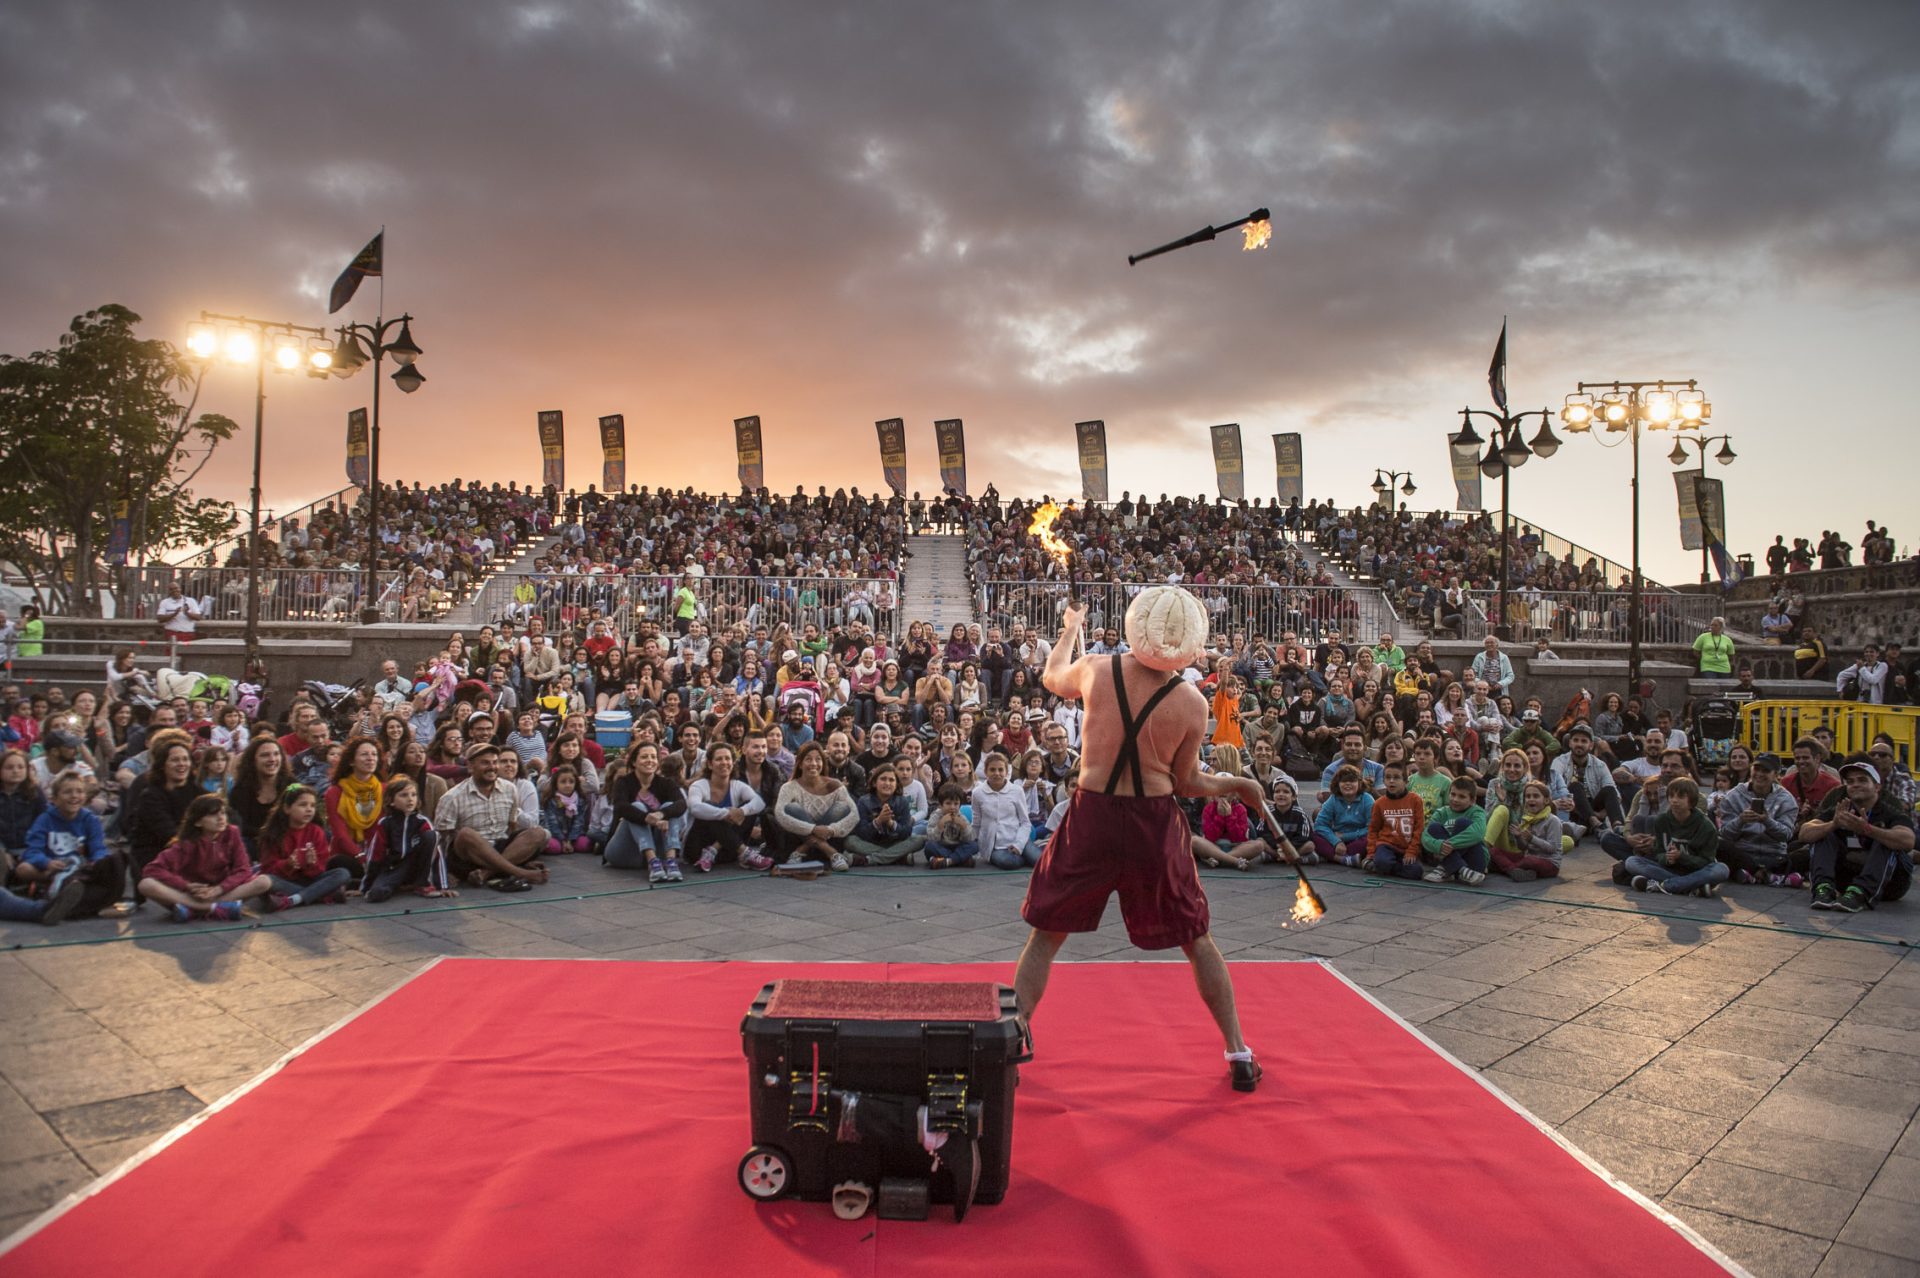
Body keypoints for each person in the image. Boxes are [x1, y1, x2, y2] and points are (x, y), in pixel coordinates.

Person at [1016, 587, 1267, 1094]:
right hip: (1153, 823)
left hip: (1093, 815)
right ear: (1188, 644)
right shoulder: (1192, 703)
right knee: (1196, 938)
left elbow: (1050, 677)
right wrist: (1237, 784)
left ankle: (1011, 1041)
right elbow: (1187, 785)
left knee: (1047, 933)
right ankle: (1238, 1051)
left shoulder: (1096, 668)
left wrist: (1068, 629)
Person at [1801, 760, 1915, 913]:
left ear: (1877, 787)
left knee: (1887, 840)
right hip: (1847, 880)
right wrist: (1833, 824)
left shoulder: (1889, 811)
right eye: (1850, 781)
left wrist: (1867, 829)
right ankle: (1824, 888)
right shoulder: (1842, 809)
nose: (1855, 784)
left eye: (1862, 780)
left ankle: (1861, 894)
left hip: (1890, 884)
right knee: (1823, 834)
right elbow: (1804, 833)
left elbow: (1908, 840)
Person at [138, 794, 274, 921]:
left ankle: (193, 911)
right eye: (213, 815)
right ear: (198, 822)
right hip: (192, 894)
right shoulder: (187, 843)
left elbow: (243, 869)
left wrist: (220, 888)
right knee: (146, 884)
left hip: (223, 891)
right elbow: (152, 869)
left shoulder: (232, 833)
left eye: (222, 813)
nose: (221, 818)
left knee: (264, 881)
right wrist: (186, 886)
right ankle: (209, 908)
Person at [433, 743, 550, 890]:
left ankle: (487, 873)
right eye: (485, 763)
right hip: (468, 856)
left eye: (495, 762)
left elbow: (511, 827)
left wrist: (519, 850)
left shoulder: (510, 789)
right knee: (466, 834)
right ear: (470, 766)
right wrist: (444, 873)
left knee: (538, 832)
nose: (492, 767)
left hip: (499, 846)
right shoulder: (452, 797)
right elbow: (441, 841)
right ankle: (520, 871)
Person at [15, 770, 124, 924]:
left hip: (81, 869)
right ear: (55, 799)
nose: (74, 796)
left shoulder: (89, 820)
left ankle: (66, 901)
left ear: (85, 797)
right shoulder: (45, 819)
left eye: (79, 791)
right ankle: (62, 897)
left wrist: (97, 862)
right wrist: (46, 863)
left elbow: (97, 848)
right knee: (23, 868)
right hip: (53, 868)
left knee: (115, 859)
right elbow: (32, 850)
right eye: (67, 792)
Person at [1622, 778, 1726, 897]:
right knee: (1632, 861)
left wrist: (1681, 857)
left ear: (1691, 801)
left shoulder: (1706, 826)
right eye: (1671, 796)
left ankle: (1663, 886)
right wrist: (1667, 858)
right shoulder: (1662, 820)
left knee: (1721, 869)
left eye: (1680, 797)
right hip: (1668, 869)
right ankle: (1691, 887)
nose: (1674, 801)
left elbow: (1706, 861)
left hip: (1696, 871)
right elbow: (1658, 852)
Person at [258, 785, 356, 911]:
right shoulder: (273, 834)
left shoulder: (316, 832)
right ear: (287, 808)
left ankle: (293, 900)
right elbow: (267, 869)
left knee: (343, 873)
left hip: (310, 881)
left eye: (312, 805)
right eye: (303, 805)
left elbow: (320, 870)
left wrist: (312, 864)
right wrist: (288, 864)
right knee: (266, 882)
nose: (309, 810)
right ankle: (325, 895)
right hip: (284, 881)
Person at [1716, 753, 1800, 886]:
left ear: (1776, 775)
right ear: (1751, 769)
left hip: (1774, 855)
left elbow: (1786, 835)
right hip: (1743, 854)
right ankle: (1770, 876)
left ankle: (1754, 875)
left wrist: (1767, 821)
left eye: (1766, 770)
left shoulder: (1786, 799)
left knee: (1806, 853)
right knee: (1718, 843)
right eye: (1757, 769)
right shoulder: (1734, 795)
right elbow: (1725, 834)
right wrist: (1740, 821)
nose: (1760, 774)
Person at [364, 775, 451, 902]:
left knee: (432, 835)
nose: (410, 799)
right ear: (391, 801)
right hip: (395, 868)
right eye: (403, 795)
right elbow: (375, 855)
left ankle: (422, 884)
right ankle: (399, 885)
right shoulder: (385, 823)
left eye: (413, 795)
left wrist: (443, 886)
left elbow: (436, 853)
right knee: (376, 894)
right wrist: (366, 886)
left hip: (416, 866)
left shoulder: (422, 822)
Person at [687, 743, 770, 875]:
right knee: (710, 806)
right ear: (710, 764)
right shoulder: (699, 785)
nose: (724, 762)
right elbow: (695, 808)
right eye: (719, 759)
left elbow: (759, 802)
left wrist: (742, 811)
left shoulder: (737, 785)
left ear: (733, 762)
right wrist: (726, 813)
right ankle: (745, 853)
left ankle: (714, 849)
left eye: (727, 758)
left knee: (747, 809)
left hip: (728, 850)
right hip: (697, 850)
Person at [1485, 779, 1562, 882]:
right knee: (1494, 851)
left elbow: (1552, 848)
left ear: (1546, 800)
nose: (1531, 799)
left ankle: (1508, 869)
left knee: (1529, 861)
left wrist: (1532, 838)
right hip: (1528, 857)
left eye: (1536, 796)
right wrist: (1518, 837)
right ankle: (1515, 871)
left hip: (1549, 863)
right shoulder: (1526, 818)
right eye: (1528, 796)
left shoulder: (1553, 820)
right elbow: (1523, 847)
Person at [847, 766, 924, 866]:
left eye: (891, 780)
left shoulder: (902, 802)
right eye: (883, 779)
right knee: (849, 841)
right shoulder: (864, 801)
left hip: (895, 843)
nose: (887, 783)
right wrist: (878, 821)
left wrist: (891, 824)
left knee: (920, 840)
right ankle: (898, 858)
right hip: (871, 844)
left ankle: (868, 860)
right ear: (874, 783)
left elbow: (906, 833)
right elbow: (861, 833)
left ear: (896, 784)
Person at [1420, 777, 1490, 885]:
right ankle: (1461, 870)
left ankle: (1446, 869)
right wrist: (1439, 845)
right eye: (1453, 794)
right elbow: (1425, 836)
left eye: (1462, 796)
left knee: (1462, 823)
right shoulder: (1441, 812)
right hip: (1452, 860)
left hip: (1474, 861)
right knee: (1434, 827)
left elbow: (1478, 833)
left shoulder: (1477, 812)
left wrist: (1449, 845)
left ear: (1472, 800)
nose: (1455, 799)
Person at [1366, 762, 1426, 880]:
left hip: (1406, 847)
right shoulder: (1379, 803)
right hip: (1387, 845)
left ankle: (1383, 868)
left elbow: (1419, 828)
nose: (1392, 781)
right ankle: (1382, 865)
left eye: (1397, 777)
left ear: (1406, 781)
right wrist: (1371, 853)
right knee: (1383, 862)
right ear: (1383, 781)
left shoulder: (1415, 800)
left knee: (1416, 872)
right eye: (1388, 777)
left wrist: (1412, 851)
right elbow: (1373, 829)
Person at [925, 783, 978, 868]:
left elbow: (970, 838)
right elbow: (930, 837)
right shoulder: (936, 816)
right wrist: (940, 825)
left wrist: (963, 827)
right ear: (941, 804)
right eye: (948, 803)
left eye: (956, 804)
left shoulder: (961, 817)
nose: (952, 807)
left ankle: (948, 861)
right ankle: (960, 860)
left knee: (974, 845)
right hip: (942, 846)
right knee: (929, 847)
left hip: (958, 847)